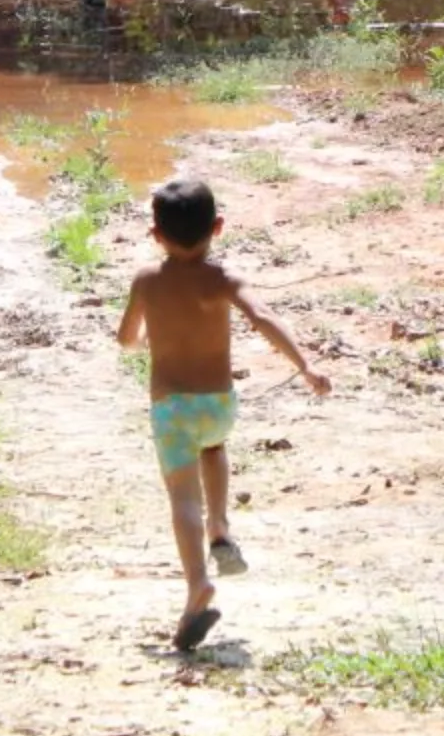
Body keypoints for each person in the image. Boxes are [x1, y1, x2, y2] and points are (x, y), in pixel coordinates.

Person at [116, 177, 332, 652]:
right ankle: (221, 527)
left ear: (155, 235)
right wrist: (305, 366)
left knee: (181, 499)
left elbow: (127, 338)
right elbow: (264, 317)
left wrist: (146, 338)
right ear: (218, 227)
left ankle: (197, 584)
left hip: (171, 408)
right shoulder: (225, 280)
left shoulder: (147, 280)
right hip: (218, 405)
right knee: (213, 447)